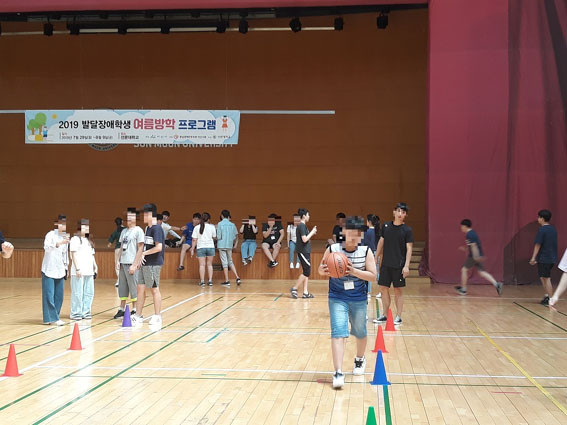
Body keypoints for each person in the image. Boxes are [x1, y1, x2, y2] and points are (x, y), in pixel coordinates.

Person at [318, 216, 376, 389]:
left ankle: (359, 359)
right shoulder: (333, 249)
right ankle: (338, 372)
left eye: (357, 234)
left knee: (360, 331)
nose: (353, 236)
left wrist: (353, 271)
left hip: (358, 298)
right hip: (337, 297)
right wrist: (323, 270)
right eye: (351, 232)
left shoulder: (366, 251)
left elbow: (373, 276)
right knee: (338, 332)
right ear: (344, 232)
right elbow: (320, 269)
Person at [374, 203, 414, 325]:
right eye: (398, 211)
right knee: (383, 288)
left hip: (399, 265)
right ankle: (385, 315)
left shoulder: (407, 230)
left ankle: (398, 316)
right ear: (394, 212)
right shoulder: (386, 226)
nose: (400, 214)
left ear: (405, 215)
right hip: (386, 264)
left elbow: (409, 248)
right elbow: (381, 242)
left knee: (398, 290)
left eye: (403, 212)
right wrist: (375, 258)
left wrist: (406, 266)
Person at [133, 203, 165, 326]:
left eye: (144, 214)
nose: (143, 217)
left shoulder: (157, 228)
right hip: (145, 264)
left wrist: (144, 254)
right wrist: (138, 260)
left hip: (153, 264)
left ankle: (157, 316)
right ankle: (138, 315)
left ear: (150, 214)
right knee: (140, 289)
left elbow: (159, 247)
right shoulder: (147, 228)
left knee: (154, 289)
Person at [454, 219, 503, 296]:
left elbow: (474, 246)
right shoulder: (472, 233)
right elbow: (471, 245)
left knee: (464, 270)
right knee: (481, 272)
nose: (461, 228)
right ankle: (497, 284)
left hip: (474, 256)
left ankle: (463, 290)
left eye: (461, 226)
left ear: (465, 226)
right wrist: (465, 249)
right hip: (477, 255)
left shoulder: (469, 234)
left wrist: (475, 257)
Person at [113, 208, 144, 319]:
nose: (129, 219)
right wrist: (118, 260)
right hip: (123, 262)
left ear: (135, 218)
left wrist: (135, 265)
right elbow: (121, 246)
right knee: (122, 286)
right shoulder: (124, 231)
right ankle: (121, 308)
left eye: (131, 217)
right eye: (127, 217)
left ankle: (135, 309)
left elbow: (140, 248)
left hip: (132, 263)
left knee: (133, 286)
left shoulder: (138, 230)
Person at [41, 215, 69, 326]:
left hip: (60, 269)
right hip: (49, 269)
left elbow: (65, 254)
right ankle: (50, 318)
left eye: (65, 224)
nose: (63, 226)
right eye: (61, 223)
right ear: (56, 224)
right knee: (49, 295)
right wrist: (58, 243)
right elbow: (46, 248)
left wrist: (66, 267)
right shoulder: (50, 235)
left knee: (59, 296)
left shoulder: (65, 236)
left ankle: (55, 316)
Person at [69, 219, 97, 320]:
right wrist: (77, 269)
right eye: (84, 226)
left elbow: (92, 255)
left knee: (89, 292)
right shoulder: (75, 239)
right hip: (79, 271)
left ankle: (86, 312)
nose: (86, 228)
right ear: (79, 227)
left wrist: (95, 266)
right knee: (77, 293)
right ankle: (76, 313)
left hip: (89, 271)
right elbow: (73, 254)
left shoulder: (89, 240)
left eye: (87, 226)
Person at [530, 209, 558, 306]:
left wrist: (533, 257)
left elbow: (538, 244)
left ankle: (551, 299)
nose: (538, 219)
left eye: (539, 217)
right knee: (542, 277)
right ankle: (547, 296)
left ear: (542, 218)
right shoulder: (553, 229)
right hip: (552, 257)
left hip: (545, 258)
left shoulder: (542, 230)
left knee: (546, 278)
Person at [290, 208, 317, 299]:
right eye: (308, 215)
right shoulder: (301, 226)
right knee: (307, 272)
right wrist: (312, 232)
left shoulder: (303, 226)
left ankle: (305, 292)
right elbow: (304, 239)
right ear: (304, 216)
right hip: (303, 251)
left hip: (306, 251)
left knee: (306, 271)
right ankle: (294, 288)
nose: (309, 216)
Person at [217, 209, 241, 287]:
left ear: (222, 215)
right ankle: (237, 277)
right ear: (228, 216)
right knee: (230, 261)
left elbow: (218, 236)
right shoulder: (232, 225)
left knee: (224, 263)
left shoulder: (220, 224)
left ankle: (227, 280)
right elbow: (235, 236)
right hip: (229, 245)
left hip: (221, 245)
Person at [191, 212, 216, 286]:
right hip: (210, 247)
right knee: (209, 264)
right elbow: (214, 237)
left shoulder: (197, 227)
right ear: (209, 219)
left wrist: (192, 249)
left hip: (201, 247)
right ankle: (210, 281)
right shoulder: (212, 227)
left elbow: (194, 239)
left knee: (202, 265)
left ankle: (202, 281)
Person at [363, 214, 380, 296]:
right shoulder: (378, 232)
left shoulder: (367, 232)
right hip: (377, 253)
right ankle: (381, 290)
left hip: (370, 253)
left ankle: (368, 292)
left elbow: (364, 244)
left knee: (369, 272)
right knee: (377, 272)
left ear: (369, 222)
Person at [107, 217, 125, 287]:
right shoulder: (126, 230)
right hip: (126, 249)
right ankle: (124, 280)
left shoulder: (116, 231)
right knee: (124, 264)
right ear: (122, 222)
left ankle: (119, 280)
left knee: (117, 264)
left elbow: (109, 243)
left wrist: (109, 244)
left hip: (118, 249)